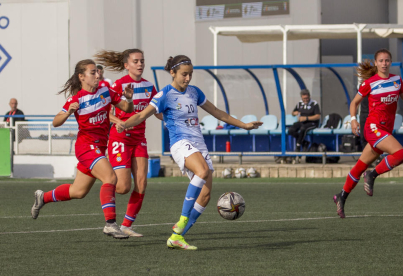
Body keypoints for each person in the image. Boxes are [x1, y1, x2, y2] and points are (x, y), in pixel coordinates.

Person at [115, 55, 262, 250]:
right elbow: (142, 115)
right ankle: (182, 220)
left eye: (190, 74)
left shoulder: (194, 92)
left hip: (198, 144)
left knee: (206, 195)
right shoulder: (164, 94)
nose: (188, 78)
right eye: (184, 74)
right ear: (173, 73)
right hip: (180, 143)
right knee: (201, 171)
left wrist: (244, 125)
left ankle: (177, 236)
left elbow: (217, 112)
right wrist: (124, 124)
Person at [31, 59, 135, 239]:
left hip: (99, 148)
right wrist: (68, 112)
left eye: (97, 72)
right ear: (82, 77)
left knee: (78, 192)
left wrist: (129, 98)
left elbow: (126, 108)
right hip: (86, 146)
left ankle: (43, 197)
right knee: (110, 177)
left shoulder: (106, 91)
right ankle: (110, 224)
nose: (98, 75)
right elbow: (56, 122)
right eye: (93, 72)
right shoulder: (76, 99)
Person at [333, 49, 403, 218]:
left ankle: (341, 196)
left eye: (387, 60)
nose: (384, 63)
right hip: (373, 128)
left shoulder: (397, 80)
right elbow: (354, 103)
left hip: (385, 130)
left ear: (391, 62)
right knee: (399, 154)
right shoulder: (370, 83)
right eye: (381, 60)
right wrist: (354, 120)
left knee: (360, 165)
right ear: (376, 63)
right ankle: (372, 174)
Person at [94, 49, 162, 237]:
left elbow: (157, 111)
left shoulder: (149, 86)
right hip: (120, 139)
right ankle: (105, 182)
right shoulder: (118, 85)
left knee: (141, 183)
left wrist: (175, 116)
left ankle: (126, 225)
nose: (140, 64)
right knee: (123, 187)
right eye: (136, 61)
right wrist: (119, 123)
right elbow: (105, 111)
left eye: (142, 61)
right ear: (126, 65)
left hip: (139, 139)